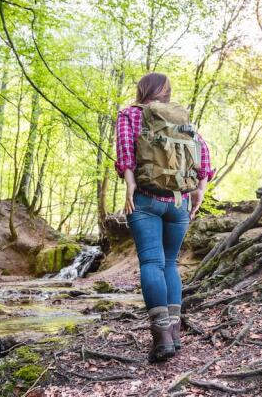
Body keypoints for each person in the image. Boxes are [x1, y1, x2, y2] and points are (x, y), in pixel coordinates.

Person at [115, 72, 214, 362]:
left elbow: (125, 153)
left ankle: (161, 338)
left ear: (142, 89)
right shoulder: (180, 117)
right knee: (170, 263)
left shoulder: (130, 114)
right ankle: (175, 334)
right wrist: (199, 192)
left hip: (145, 199)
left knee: (152, 263)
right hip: (178, 202)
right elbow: (204, 156)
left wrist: (130, 185)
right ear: (166, 92)